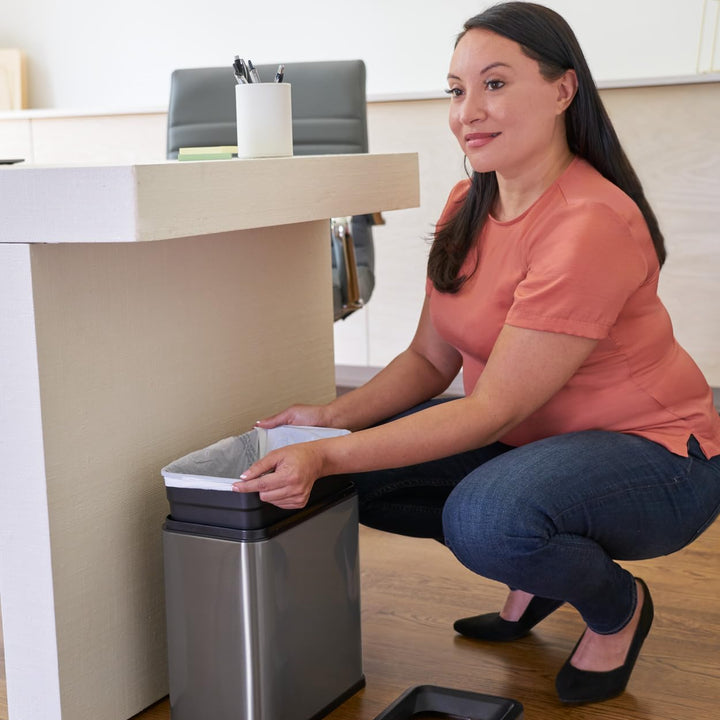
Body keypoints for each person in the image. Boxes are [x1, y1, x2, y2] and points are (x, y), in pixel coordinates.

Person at [233, 1, 720, 705]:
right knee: (362, 479)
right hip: (537, 444)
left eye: (495, 84)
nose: (469, 111)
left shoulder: (588, 223)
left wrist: (325, 451)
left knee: (486, 521)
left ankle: (618, 606)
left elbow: (489, 410)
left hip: (659, 460)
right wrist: (333, 419)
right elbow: (430, 361)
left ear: (562, 91)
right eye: (457, 90)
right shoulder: (470, 199)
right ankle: (542, 565)